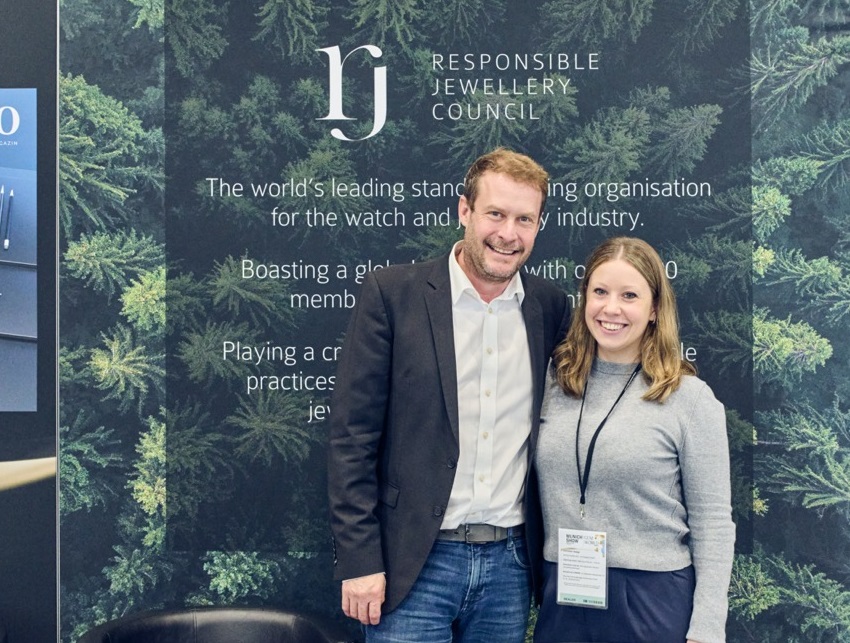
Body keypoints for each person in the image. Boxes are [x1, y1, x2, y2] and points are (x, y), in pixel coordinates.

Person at [327, 147, 570, 642]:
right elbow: (352, 438)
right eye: (495, 214)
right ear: (464, 210)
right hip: (412, 563)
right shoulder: (393, 294)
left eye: (524, 219)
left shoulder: (549, 306)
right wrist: (359, 559)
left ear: (538, 225)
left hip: (510, 568)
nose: (508, 234)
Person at [534, 236, 735, 643]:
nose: (611, 308)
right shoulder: (553, 383)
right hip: (564, 594)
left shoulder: (689, 399)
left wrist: (707, 628)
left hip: (651, 600)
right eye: (600, 292)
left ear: (655, 308)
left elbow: (713, 522)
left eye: (629, 295)